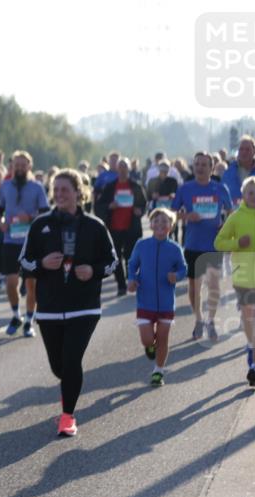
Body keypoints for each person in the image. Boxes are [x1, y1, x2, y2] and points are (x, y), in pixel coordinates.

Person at [19, 169, 116, 437]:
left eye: (66, 190)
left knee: (72, 361)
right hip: (49, 307)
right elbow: (24, 260)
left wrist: (93, 271)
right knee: (58, 366)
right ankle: (68, 391)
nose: (60, 194)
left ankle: (68, 416)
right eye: (56, 190)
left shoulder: (94, 225)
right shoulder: (40, 224)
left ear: (78, 193)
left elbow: (112, 262)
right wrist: (42, 264)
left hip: (84, 306)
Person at [172, 151, 234, 340]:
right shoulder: (185, 189)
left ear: (211, 168)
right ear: (193, 167)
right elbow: (171, 213)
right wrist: (186, 216)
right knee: (194, 286)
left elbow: (231, 212)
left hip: (213, 244)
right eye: (197, 164)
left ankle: (211, 321)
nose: (199, 167)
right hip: (192, 243)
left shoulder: (220, 188)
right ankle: (199, 320)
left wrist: (225, 225)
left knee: (214, 285)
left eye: (204, 165)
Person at [127, 209, 187, 386]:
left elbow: (184, 269)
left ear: (171, 226)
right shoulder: (142, 245)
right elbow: (132, 265)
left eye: (165, 221)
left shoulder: (175, 248)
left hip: (166, 303)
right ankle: (149, 347)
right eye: (157, 221)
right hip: (145, 300)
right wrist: (132, 279)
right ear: (151, 224)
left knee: (163, 338)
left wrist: (177, 275)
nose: (160, 224)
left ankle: (158, 371)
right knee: (147, 339)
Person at [214, 176, 255, 387]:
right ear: (243, 196)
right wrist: (237, 243)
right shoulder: (235, 217)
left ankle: (254, 366)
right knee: (248, 319)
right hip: (242, 276)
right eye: (251, 193)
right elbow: (218, 243)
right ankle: (252, 346)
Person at [0, 150, 50, 337]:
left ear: (29, 166)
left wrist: (30, 216)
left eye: (23, 165)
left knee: (31, 285)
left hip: (31, 242)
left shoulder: (37, 187)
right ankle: (15, 315)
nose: (19, 168)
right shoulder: (5, 186)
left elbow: (45, 213)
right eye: (16, 165)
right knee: (11, 283)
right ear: (12, 166)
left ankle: (29, 321)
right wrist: (1, 222)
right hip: (10, 240)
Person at [95, 159, 147, 296]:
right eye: (120, 167)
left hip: (132, 227)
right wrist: (109, 206)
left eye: (125, 167)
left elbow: (143, 204)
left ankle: (131, 279)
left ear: (129, 169)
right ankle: (121, 286)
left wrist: (139, 211)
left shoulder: (135, 186)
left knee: (131, 256)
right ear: (117, 169)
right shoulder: (110, 186)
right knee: (116, 256)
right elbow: (99, 206)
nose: (123, 170)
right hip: (114, 227)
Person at [222, 136, 255, 208]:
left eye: (247, 149)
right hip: (235, 215)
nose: (244, 152)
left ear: (254, 151)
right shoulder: (228, 172)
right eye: (241, 149)